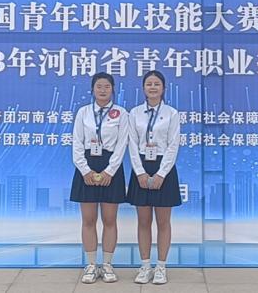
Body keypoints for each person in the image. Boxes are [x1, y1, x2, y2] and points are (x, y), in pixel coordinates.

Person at [69, 72, 131, 284]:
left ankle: (107, 265)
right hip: (86, 167)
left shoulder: (121, 113)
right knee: (88, 220)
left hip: (111, 167)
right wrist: (85, 170)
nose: (103, 90)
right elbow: (77, 143)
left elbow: (122, 144)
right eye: (99, 86)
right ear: (92, 89)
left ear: (113, 89)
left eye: (107, 86)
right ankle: (90, 265)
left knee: (109, 220)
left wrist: (109, 171)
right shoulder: (83, 112)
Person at [126, 70, 181, 285]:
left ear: (163, 88)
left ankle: (161, 267)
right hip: (141, 165)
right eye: (149, 84)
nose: (153, 87)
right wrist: (139, 172)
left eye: (157, 84)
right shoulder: (135, 113)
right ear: (143, 88)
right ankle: (145, 266)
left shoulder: (172, 113)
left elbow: (173, 145)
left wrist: (161, 173)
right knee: (143, 221)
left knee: (163, 222)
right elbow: (132, 144)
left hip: (163, 167)